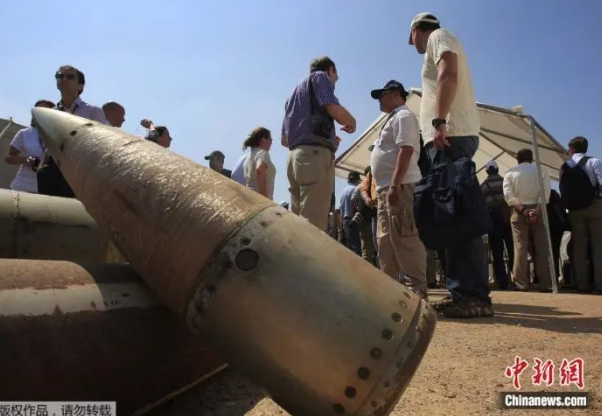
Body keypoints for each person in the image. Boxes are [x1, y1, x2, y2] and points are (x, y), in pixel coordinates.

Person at [409, 13, 492, 316]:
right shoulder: (439, 38)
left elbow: (448, 72)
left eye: (411, 37)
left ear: (415, 31)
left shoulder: (437, 37)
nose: (411, 43)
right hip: (449, 136)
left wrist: (439, 122)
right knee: (451, 217)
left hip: (450, 135)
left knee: (458, 216)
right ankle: (463, 292)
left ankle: (474, 295)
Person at [281, 56, 356, 231]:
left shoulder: (292, 95)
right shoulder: (319, 77)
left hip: (294, 158)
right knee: (313, 227)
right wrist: (351, 121)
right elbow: (332, 106)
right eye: (335, 78)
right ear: (330, 70)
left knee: (299, 225)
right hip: (312, 157)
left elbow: (284, 139)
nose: (334, 83)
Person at [369, 80, 427, 299]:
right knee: (386, 241)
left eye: (382, 95)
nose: (379, 100)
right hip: (387, 188)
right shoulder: (392, 118)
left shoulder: (404, 116)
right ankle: (389, 292)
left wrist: (395, 183)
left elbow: (406, 149)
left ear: (395, 94)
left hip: (400, 185)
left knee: (405, 238)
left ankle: (417, 289)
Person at [503, 148, 552, 292]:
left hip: (518, 211)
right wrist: (535, 210)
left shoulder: (510, 172)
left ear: (517, 159)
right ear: (531, 159)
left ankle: (521, 284)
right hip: (538, 209)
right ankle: (545, 283)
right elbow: (545, 193)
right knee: (541, 248)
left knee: (520, 248)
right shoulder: (541, 170)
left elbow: (508, 195)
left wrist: (523, 210)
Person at [5, 99, 56, 193]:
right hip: (22, 187)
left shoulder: (57, 136)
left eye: (45, 110)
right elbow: (8, 158)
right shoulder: (24, 133)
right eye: (37, 110)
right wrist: (25, 160)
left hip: (46, 189)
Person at [481, 160, 513, 290]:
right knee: (512, 249)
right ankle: (516, 277)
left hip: (492, 220)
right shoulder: (505, 182)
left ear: (487, 171)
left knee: (497, 252)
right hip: (507, 218)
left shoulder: (483, 186)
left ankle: (502, 281)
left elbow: (481, 205)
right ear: (498, 169)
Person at [242, 127, 276, 200]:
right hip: (260, 198)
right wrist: (264, 195)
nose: (272, 141)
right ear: (263, 140)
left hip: (249, 197)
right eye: (270, 138)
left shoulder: (247, 158)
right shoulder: (263, 153)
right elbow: (260, 169)